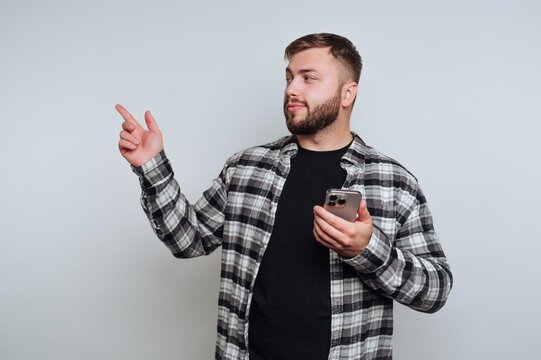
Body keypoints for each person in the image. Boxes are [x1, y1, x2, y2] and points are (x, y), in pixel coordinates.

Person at [116, 33, 452, 360]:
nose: (291, 88)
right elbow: (188, 241)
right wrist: (151, 167)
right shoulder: (246, 167)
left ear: (348, 93)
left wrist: (367, 250)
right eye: (289, 77)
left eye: (308, 78)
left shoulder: (393, 181)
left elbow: (435, 290)